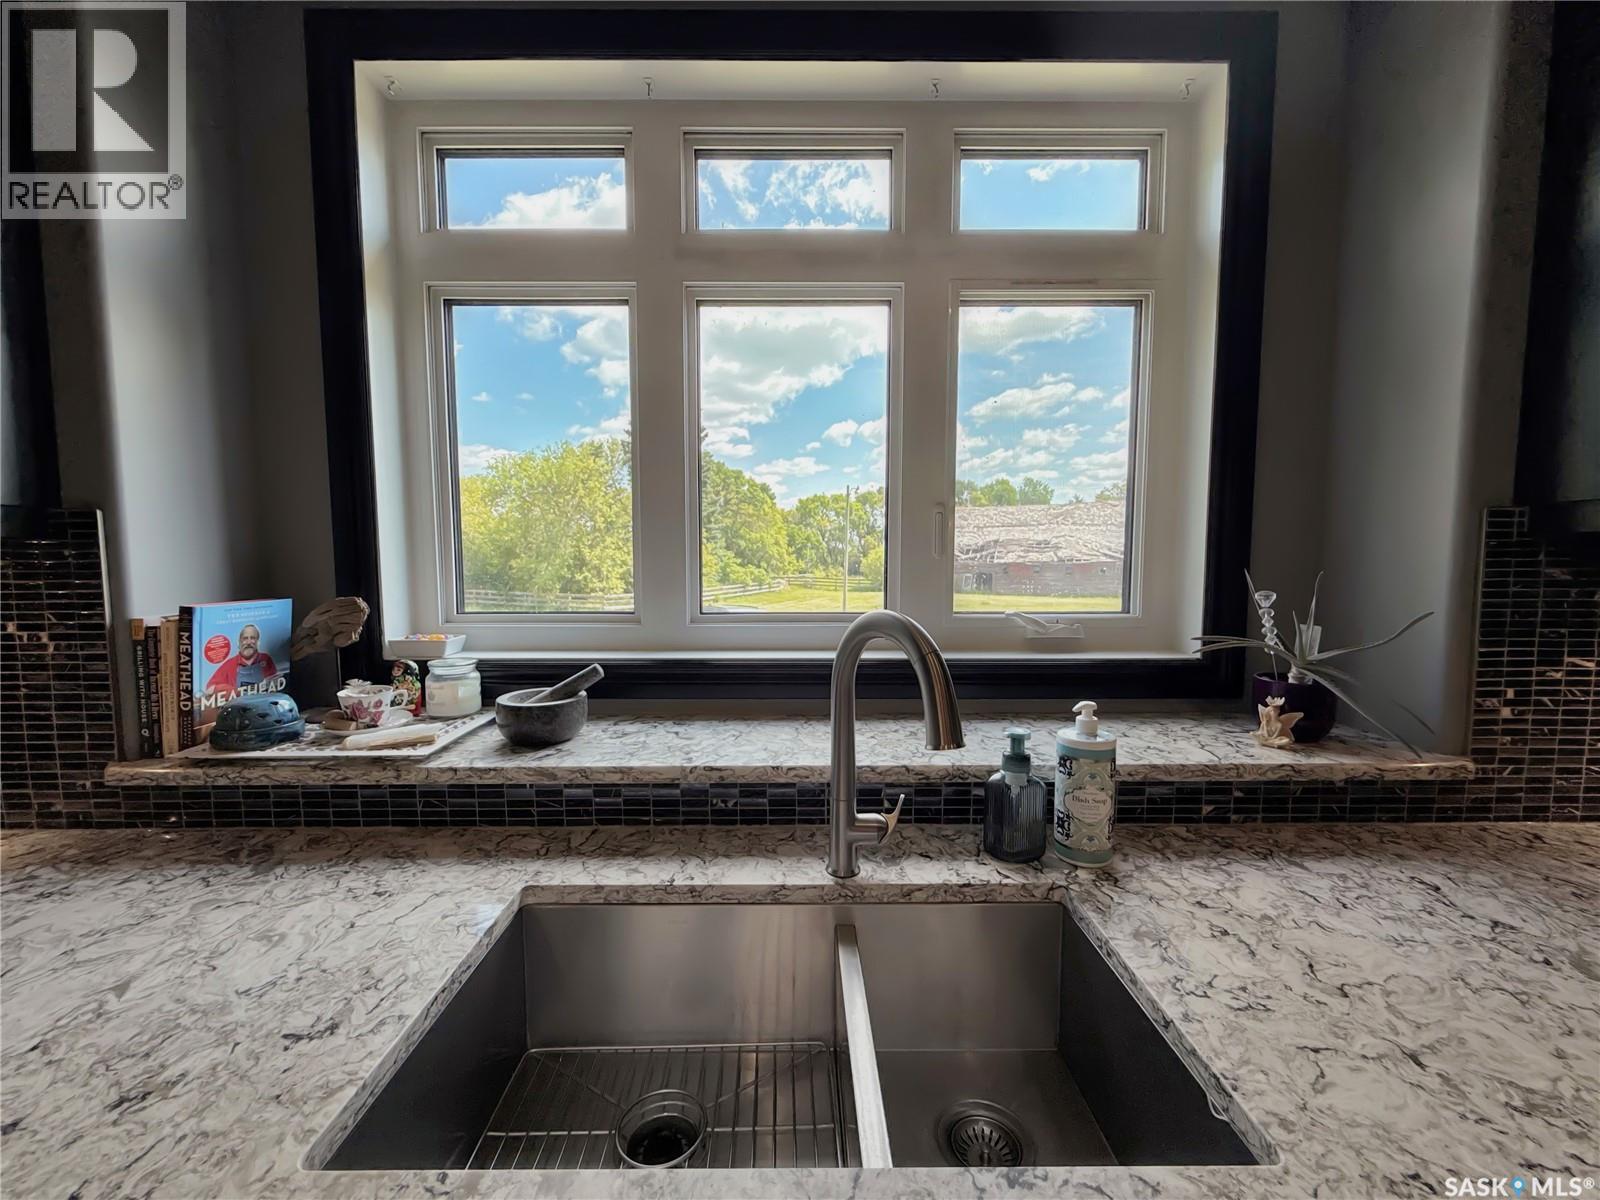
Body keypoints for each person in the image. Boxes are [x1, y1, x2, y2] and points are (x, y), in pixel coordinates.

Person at [205, 624, 279, 695]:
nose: (249, 642)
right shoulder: (230, 664)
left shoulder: (265, 659)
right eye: (245, 638)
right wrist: (236, 692)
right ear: (239, 642)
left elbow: (275, 684)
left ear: (258, 642)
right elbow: (210, 689)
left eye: (252, 638)